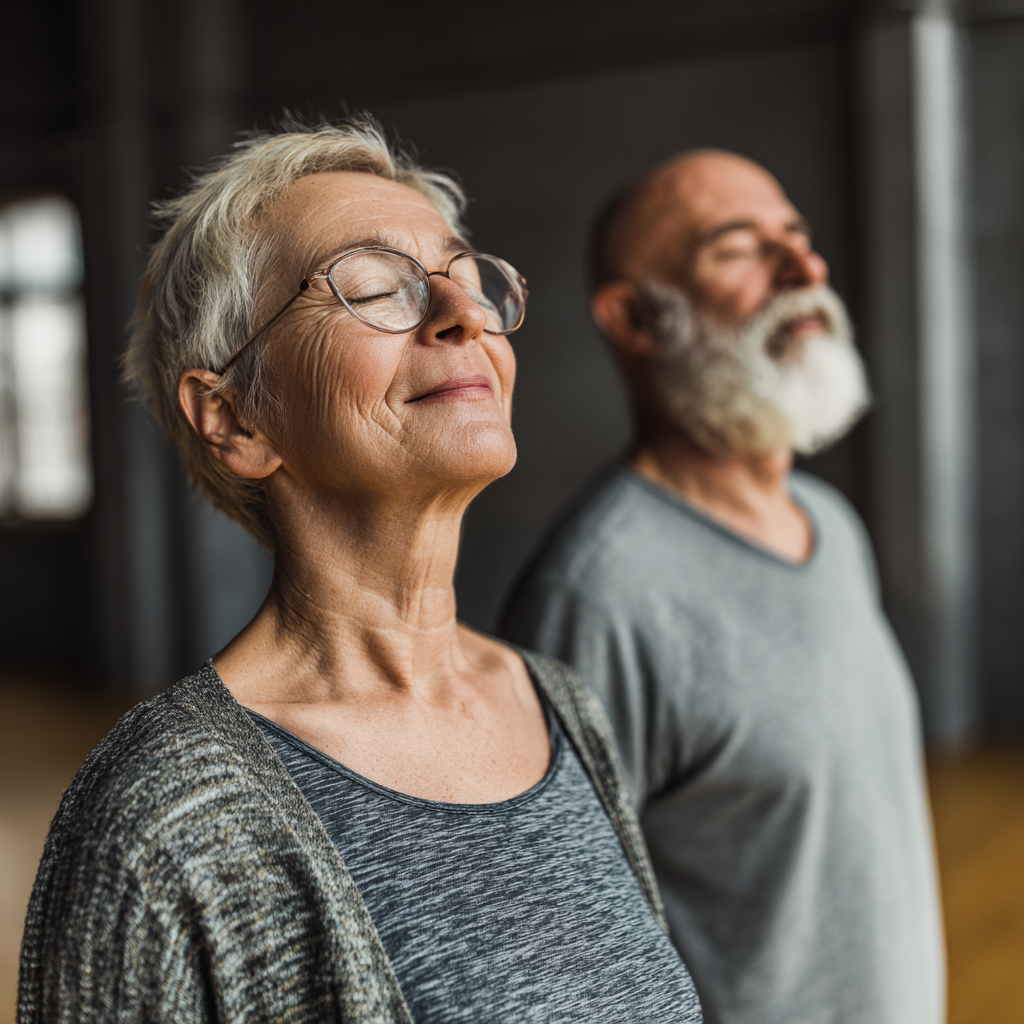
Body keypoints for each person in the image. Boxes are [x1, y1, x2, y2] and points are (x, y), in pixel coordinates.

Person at [18, 120, 702, 1024]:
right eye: (377, 289)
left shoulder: (556, 704)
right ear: (235, 419)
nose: (463, 315)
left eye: (470, 280)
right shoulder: (160, 818)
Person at [501, 150, 944, 1024]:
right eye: (739, 248)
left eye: (798, 238)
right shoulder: (599, 594)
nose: (805, 271)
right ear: (635, 318)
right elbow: (547, 951)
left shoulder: (831, 524)